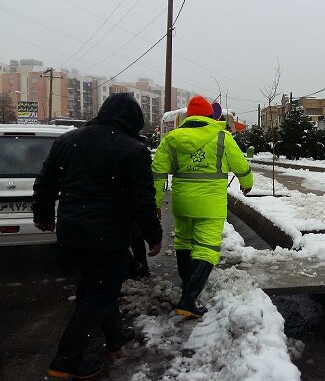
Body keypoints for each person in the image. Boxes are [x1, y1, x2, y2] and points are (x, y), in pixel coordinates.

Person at [32, 92, 163, 379]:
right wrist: (153, 235)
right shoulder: (132, 148)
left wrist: (42, 215)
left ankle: (115, 336)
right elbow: (142, 198)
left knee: (96, 285)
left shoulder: (67, 140)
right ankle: (65, 361)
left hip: (71, 231)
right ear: (132, 121)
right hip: (108, 234)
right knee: (100, 292)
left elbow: (45, 182)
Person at [152, 96, 253, 318]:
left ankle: (187, 285)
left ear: (188, 116)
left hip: (182, 201)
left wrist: (156, 203)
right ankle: (188, 300)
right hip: (210, 205)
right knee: (207, 248)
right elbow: (241, 165)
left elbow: (158, 173)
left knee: (184, 241)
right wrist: (247, 184)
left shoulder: (172, 139)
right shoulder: (222, 137)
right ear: (209, 116)